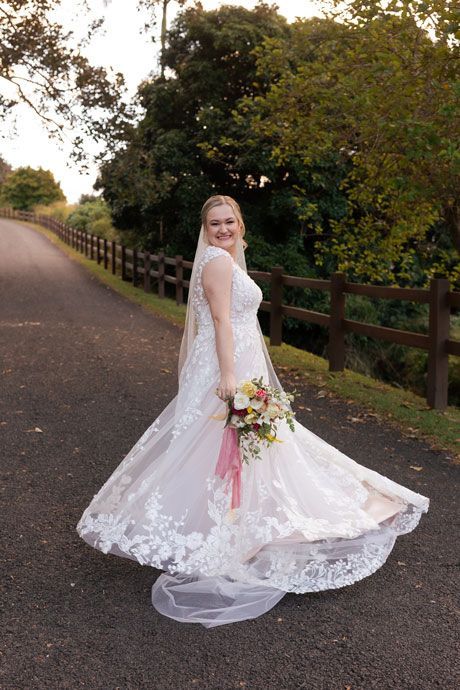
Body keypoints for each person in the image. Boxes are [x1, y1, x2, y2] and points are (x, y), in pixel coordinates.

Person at [76, 194, 429, 628]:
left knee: (235, 449)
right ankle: (229, 531)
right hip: (228, 367)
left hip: (235, 360)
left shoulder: (223, 259)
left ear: (240, 225)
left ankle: (230, 524)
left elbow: (231, 321)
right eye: (214, 223)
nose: (222, 229)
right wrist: (229, 377)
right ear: (204, 229)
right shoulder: (219, 263)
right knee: (230, 446)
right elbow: (222, 320)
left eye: (229, 222)